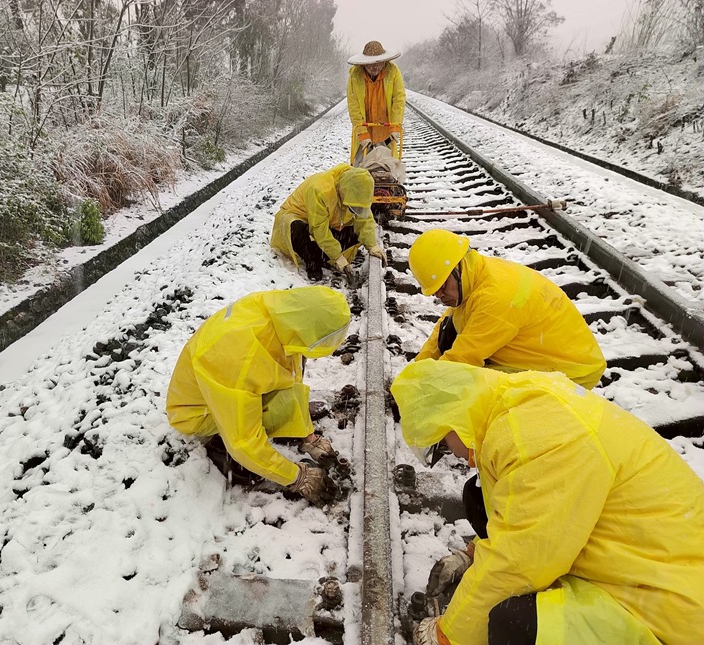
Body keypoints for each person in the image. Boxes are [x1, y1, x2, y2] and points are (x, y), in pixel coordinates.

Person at [391, 360, 704, 645]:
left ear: (452, 420)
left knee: (513, 623)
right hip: (637, 554)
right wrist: (472, 554)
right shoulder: (514, 404)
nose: (456, 456)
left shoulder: (536, 439)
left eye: (444, 447)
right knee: (478, 496)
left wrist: (449, 635)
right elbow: (521, 511)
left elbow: (520, 560)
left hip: (669, 604)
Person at [166, 286, 349, 506]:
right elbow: (245, 442)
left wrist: (307, 435)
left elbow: (292, 372)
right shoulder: (241, 362)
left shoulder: (279, 314)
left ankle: (266, 429)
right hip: (197, 414)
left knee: (281, 390)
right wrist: (297, 477)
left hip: (221, 383)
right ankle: (219, 446)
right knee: (245, 453)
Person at [408, 228, 606, 389]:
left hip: (571, 372)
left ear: (458, 269)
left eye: (442, 286)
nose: (440, 295)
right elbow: (446, 326)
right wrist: (419, 367)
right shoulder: (476, 273)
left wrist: (421, 389)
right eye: (435, 292)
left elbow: (463, 358)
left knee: (477, 389)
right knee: (450, 340)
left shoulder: (495, 298)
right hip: (543, 354)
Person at [270, 163, 386, 282]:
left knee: (356, 234)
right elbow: (319, 228)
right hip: (298, 218)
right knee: (297, 228)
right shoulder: (320, 190)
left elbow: (364, 218)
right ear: (343, 193)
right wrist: (338, 258)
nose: (355, 211)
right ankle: (312, 263)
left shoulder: (357, 184)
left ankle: (320, 255)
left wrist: (372, 246)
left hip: (325, 220)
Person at [347, 40, 406, 165]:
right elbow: (354, 106)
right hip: (364, 128)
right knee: (359, 168)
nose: (375, 67)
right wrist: (362, 133)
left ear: (384, 61)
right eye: (371, 64)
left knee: (389, 167)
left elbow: (398, 99)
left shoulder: (393, 72)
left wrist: (395, 126)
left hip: (385, 130)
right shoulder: (355, 77)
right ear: (364, 64)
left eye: (378, 63)